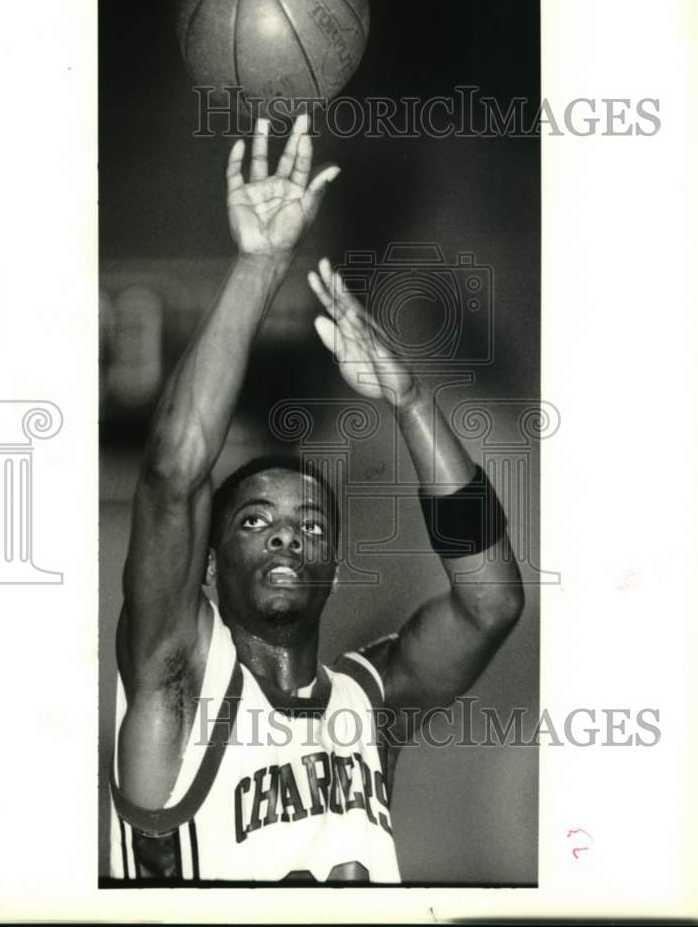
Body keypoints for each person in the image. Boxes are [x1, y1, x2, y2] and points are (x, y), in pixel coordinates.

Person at [109, 114, 524, 883]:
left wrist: (409, 401)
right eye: (254, 519)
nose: (285, 535)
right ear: (205, 566)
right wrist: (261, 264)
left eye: (309, 523)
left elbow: (490, 604)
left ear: (333, 560)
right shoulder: (177, 684)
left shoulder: (368, 703)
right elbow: (173, 472)